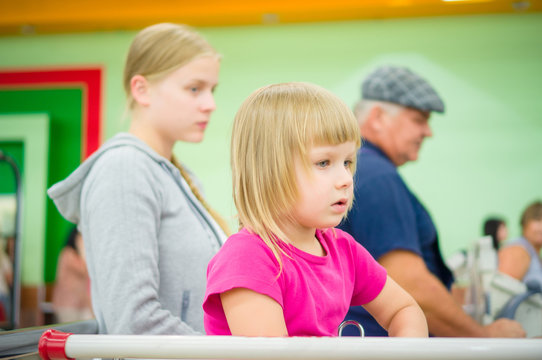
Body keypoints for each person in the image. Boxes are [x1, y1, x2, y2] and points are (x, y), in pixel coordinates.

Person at [203, 82, 428, 337]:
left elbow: (405, 310)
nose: (345, 178)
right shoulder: (248, 258)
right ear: (272, 172)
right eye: (324, 162)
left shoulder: (344, 250)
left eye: (347, 162)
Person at [48, 23, 229, 334]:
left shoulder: (179, 176)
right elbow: (134, 322)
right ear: (141, 89)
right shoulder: (124, 170)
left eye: (212, 90)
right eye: (194, 88)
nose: (209, 103)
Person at [338, 65, 525, 337]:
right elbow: (410, 286)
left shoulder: (361, 170)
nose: (428, 132)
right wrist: (483, 336)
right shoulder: (379, 178)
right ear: (377, 117)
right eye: (419, 119)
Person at [52, 227, 93, 323]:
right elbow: (85, 269)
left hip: (82, 305)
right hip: (68, 307)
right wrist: (82, 248)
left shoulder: (80, 256)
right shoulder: (68, 254)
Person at [499, 201, 542, 289]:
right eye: (537, 220)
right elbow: (501, 292)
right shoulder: (519, 250)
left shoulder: (533, 252)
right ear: (524, 224)